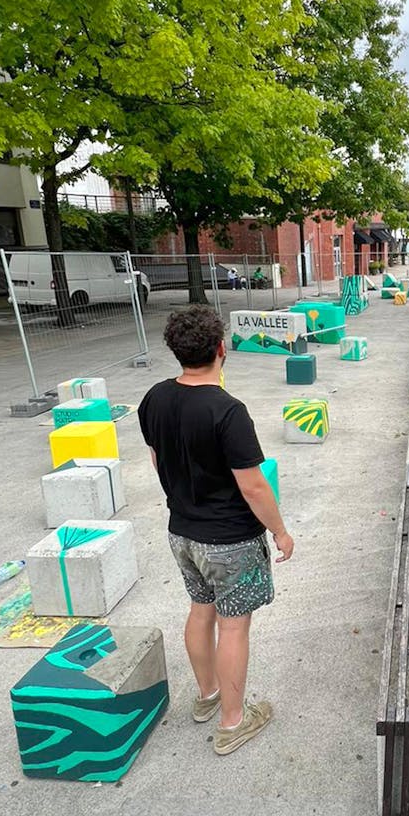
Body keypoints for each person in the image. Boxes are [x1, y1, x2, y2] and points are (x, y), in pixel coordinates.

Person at [138, 305, 294, 756]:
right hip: (229, 540)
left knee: (200, 609)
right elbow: (253, 485)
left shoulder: (154, 399)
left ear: (176, 352)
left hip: (181, 532)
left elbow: (156, 458)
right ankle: (232, 720)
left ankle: (207, 696)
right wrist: (280, 531)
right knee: (233, 627)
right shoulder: (228, 411)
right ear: (221, 349)